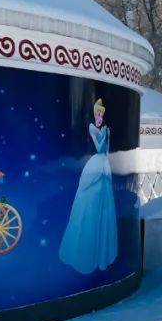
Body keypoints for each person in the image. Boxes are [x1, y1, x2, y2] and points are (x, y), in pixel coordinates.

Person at [60, 98, 118, 273]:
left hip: (104, 166)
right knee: (90, 206)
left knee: (104, 208)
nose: (100, 115)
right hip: (95, 166)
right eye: (98, 113)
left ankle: (102, 255)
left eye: (102, 113)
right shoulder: (92, 128)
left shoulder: (102, 128)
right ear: (94, 114)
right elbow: (99, 148)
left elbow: (106, 150)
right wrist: (105, 134)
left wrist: (107, 135)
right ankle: (85, 253)